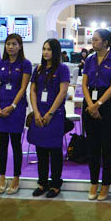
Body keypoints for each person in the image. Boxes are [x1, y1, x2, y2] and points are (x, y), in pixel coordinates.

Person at [0, 33, 32, 195]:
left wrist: (13, 106)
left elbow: (23, 88)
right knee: (2, 144)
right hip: (0, 105)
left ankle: (16, 178)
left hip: (16, 107)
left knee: (16, 144)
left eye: (14, 44)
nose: (11, 47)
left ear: (20, 46)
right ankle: (2, 178)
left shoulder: (25, 64)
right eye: (8, 44)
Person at [82, 29, 111, 201]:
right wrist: (90, 105)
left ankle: (106, 183)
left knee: (107, 147)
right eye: (92, 39)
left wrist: (98, 104)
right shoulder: (89, 59)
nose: (93, 42)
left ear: (106, 42)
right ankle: (93, 182)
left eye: (96, 40)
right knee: (92, 146)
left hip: (106, 104)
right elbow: (84, 84)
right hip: (89, 103)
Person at [28, 38, 70, 198]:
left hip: (55, 115)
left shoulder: (62, 69)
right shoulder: (38, 69)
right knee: (41, 150)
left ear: (55, 51)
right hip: (39, 114)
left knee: (55, 151)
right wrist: (36, 112)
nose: (46, 52)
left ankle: (56, 184)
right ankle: (42, 183)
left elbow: (63, 92)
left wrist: (50, 113)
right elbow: (32, 91)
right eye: (44, 49)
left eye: (49, 49)